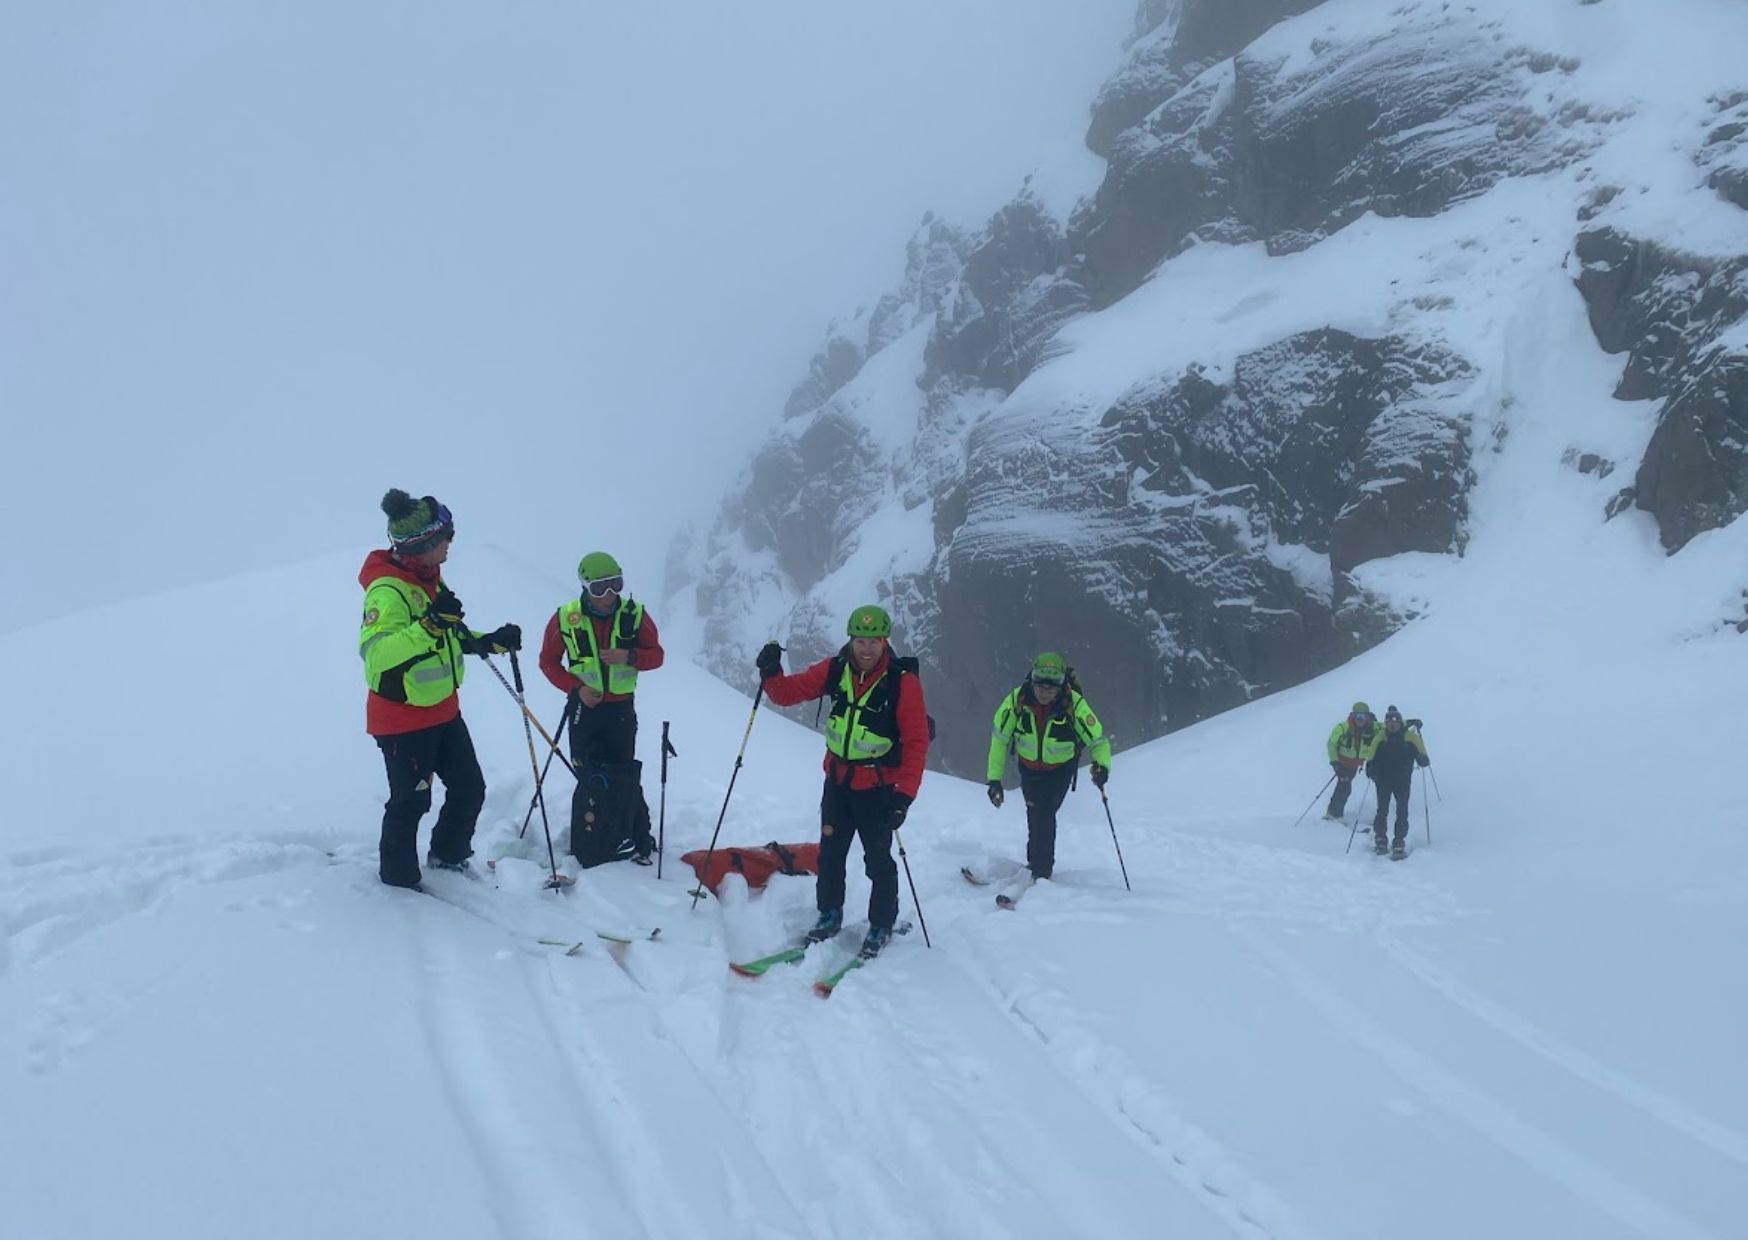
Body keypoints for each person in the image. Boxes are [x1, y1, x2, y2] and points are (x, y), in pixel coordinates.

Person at [359, 489, 521, 889]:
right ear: (424, 543)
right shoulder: (388, 591)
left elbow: (445, 635)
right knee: (411, 802)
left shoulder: (428, 578)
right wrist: (430, 625)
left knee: (470, 788)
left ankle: (448, 856)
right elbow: (377, 655)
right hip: (402, 720)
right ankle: (398, 884)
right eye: (446, 535)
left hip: (443, 710)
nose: (451, 542)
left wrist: (486, 641)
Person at [755, 605, 929, 959]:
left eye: (874, 641)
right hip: (837, 782)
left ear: (885, 642)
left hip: (878, 789)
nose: (866, 649)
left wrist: (904, 797)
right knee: (831, 854)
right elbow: (787, 693)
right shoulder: (835, 669)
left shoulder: (902, 682)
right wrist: (770, 670)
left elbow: (916, 742)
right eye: (860, 641)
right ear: (850, 641)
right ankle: (829, 913)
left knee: (878, 859)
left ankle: (881, 923)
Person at [538, 551, 665, 867]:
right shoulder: (566, 619)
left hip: (621, 709)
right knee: (588, 773)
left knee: (623, 773)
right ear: (584, 586)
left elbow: (658, 656)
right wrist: (576, 688)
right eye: (600, 588)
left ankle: (637, 836)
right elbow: (547, 662)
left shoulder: (635, 615)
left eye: (615, 585)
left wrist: (630, 656)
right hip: (584, 710)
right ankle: (591, 839)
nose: (609, 595)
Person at [984, 653, 1112, 883]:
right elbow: (999, 738)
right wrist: (994, 780)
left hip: (1060, 769)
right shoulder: (1016, 700)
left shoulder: (1074, 704)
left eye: (1051, 689)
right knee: (1035, 812)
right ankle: (1036, 865)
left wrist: (1102, 766)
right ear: (1031, 681)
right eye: (1039, 686)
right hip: (1029, 767)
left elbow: (1098, 740)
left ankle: (1041, 869)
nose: (1044, 693)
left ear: (1061, 686)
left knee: (1042, 811)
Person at [1365, 705, 1429, 858]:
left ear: (1401, 723)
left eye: (1395, 722)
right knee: (1382, 809)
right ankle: (1380, 838)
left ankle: (1399, 841)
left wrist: (1422, 759)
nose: (1392, 725)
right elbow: (1370, 754)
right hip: (1383, 779)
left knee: (1402, 811)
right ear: (1385, 723)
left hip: (1403, 780)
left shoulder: (1411, 737)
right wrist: (1370, 766)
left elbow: (1423, 756)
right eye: (1389, 722)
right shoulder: (1380, 737)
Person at [1324, 701, 1378, 820]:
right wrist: (1335, 762)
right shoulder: (1343, 727)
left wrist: (1407, 723)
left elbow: (1390, 726)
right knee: (1344, 786)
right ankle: (1333, 813)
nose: (1360, 719)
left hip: (1355, 764)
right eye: (1357, 716)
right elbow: (1331, 744)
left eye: (1363, 716)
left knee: (1345, 786)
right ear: (1352, 716)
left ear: (1368, 717)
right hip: (1342, 763)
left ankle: (1334, 813)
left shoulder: (1372, 727)